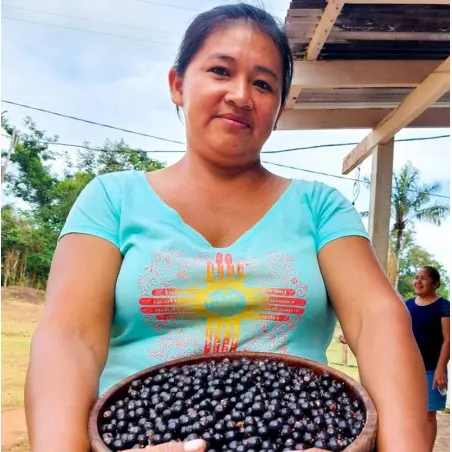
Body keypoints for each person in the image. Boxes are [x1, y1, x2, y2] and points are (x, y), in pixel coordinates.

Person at [25, 3, 430, 452]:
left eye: (263, 83)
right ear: (178, 85)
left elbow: (377, 319)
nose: (240, 94)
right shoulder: (111, 200)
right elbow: (69, 336)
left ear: (278, 111)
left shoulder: (321, 208)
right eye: (220, 71)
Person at [406, 266, 450, 451]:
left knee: (428, 415)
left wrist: (441, 369)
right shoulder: (408, 304)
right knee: (409, 412)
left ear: (435, 283)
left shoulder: (443, 306)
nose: (418, 281)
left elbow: (448, 339)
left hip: (432, 368)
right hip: (409, 368)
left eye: (423, 278)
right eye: (416, 277)